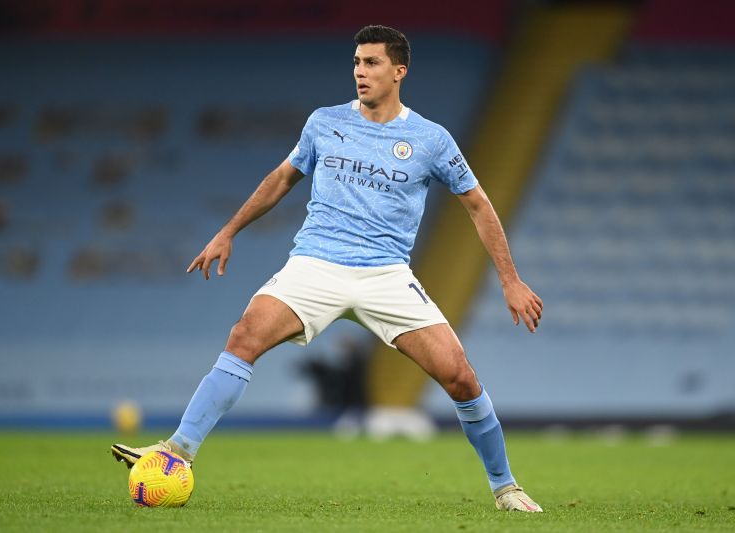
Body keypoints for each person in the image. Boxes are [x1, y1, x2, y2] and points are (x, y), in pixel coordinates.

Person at [112, 25, 544, 513]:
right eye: (357, 62)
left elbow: (479, 206)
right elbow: (282, 178)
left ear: (399, 71)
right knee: (244, 336)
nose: (360, 71)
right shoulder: (324, 122)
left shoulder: (430, 139)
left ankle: (506, 487)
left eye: (373, 63)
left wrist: (510, 280)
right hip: (315, 264)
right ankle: (176, 453)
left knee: (461, 379)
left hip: (386, 276)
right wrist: (227, 231)